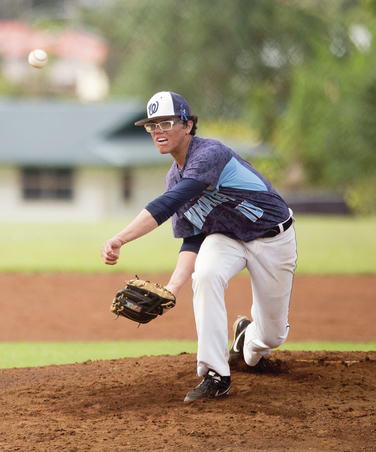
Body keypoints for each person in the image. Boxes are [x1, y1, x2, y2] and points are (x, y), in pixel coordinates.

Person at [101, 91, 297, 403]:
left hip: (272, 237)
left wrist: (120, 238)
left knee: (272, 337)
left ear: (188, 125)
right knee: (204, 275)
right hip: (227, 238)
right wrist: (173, 287)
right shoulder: (172, 177)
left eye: (166, 122)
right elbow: (193, 237)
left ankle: (248, 337)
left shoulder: (210, 154)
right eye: (152, 125)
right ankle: (215, 373)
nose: (158, 131)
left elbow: (169, 204)